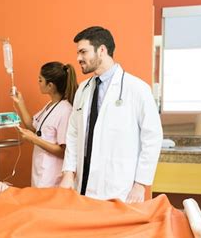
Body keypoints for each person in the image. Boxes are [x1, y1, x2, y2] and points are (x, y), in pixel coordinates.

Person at [60, 26, 163, 203]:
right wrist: (68, 173)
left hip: (119, 186)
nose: (78, 58)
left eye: (83, 52)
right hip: (83, 184)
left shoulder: (137, 89)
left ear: (101, 50)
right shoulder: (83, 90)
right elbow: (73, 133)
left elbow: (152, 138)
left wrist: (140, 184)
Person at [11, 62, 78, 188]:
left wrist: (34, 139)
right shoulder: (50, 105)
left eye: (40, 80)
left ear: (50, 85)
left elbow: (64, 151)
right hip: (41, 173)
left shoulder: (65, 110)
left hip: (52, 178)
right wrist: (20, 102)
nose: (38, 83)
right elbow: (33, 126)